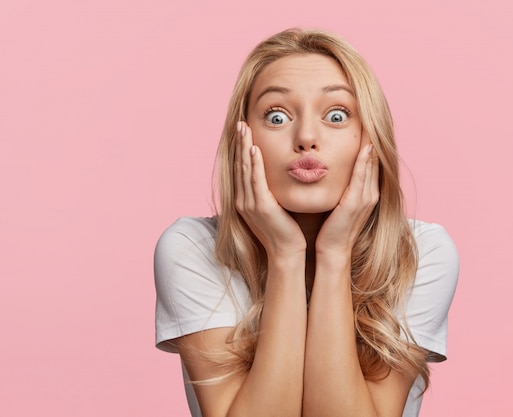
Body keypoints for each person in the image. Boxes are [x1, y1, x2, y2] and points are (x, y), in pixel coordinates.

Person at [154, 28, 459, 417]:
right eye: (277, 116)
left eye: (336, 115)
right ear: (242, 139)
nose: (307, 137)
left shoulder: (421, 251)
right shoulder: (192, 248)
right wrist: (285, 255)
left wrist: (334, 254)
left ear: (371, 137)